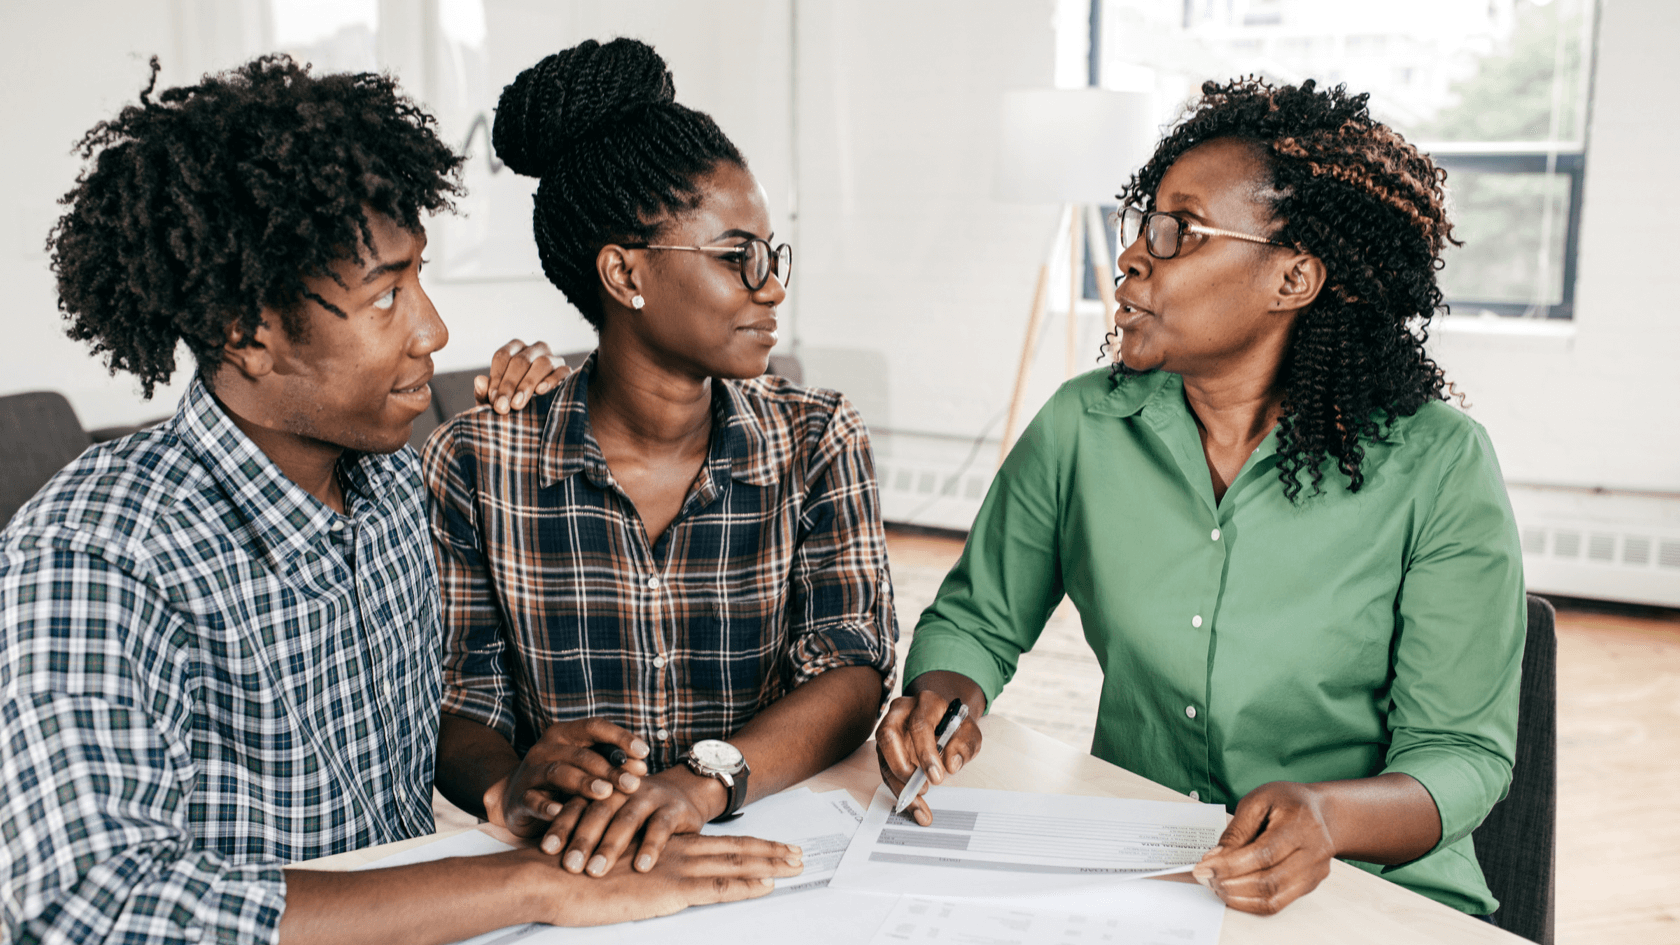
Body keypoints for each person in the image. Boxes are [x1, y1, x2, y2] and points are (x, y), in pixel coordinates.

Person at [0, 55, 802, 945]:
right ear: (246, 333)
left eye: (418, 278)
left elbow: (401, 757)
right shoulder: (95, 551)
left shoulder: (387, 487)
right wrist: (530, 885)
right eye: (386, 294)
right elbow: (81, 906)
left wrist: (509, 784)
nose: (434, 328)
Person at [874, 78, 1524, 919]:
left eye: (1180, 230)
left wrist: (1326, 815)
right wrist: (941, 693)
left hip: (1367, 896)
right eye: (1144, 223)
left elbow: (1462, 756)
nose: (1136, 254)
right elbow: (977, 620)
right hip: (1142, 869)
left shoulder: (1438, 464)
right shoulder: (1085, 425)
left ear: (1292, 278)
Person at [425, 38, 897, 880]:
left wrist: (701, 785)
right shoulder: (479, 459)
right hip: (574, 872)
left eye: (771, 254)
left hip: (776, 857)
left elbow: (853, 668)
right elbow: (462, 700)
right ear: (624, 272)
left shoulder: (817, 438)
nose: (773, 287)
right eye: (736, 256)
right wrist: (513, 786)